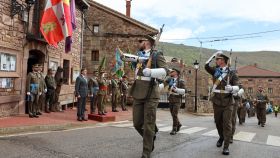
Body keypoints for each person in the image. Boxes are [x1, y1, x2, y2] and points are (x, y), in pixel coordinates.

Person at [121, 35, 168, 158]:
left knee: (148, 124)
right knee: (137, 123)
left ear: (147, 42)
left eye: (141, 41)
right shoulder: (140, 55)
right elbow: (128, 59)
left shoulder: (157, 55)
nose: (139, 42)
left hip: (151, 92)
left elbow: (165, 71)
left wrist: (151, 72)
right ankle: (150, 137)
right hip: (138, 90)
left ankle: (146, 151)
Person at [205, 51, 239, 155]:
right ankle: (221, 137)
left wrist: (232, 88)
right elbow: (206, 66)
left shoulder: (232, 72)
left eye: (217, 59)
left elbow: (238, 86)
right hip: (217, 101)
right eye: (216, 59)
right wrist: (213, 55)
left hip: (228, 101)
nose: (216, 60)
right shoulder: (215, 71)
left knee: (227, 124)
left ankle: (226, 146)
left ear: (223, 61)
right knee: (217, 122)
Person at [167, 67, 186, 135]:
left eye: (173, 71)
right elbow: (168, 88)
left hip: (177, 99)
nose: (171, 72)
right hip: (171, 98)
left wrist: (177, 90)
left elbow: (184, 90)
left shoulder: (181, 81)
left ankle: (174, 128)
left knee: (174, 114)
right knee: (172, 114)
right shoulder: (170, 80)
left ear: (176, 73)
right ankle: (179, 124)